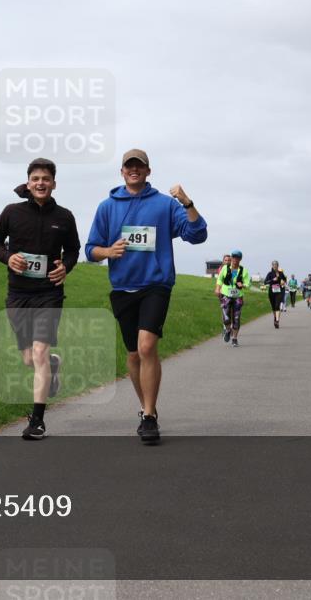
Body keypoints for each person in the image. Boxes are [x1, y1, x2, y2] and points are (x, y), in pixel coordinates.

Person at [85, 148, 207, 443]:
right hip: (122, 287)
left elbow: (197, 234)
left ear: (148, 171)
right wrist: (108, 251)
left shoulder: (165, 204)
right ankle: (145, 407)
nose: (134, 170)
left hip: (156, 285)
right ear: (122, 171)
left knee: (147, 346)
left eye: (139, 166)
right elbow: (90, 250)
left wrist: (187, 202)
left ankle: (150, 416)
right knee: (133, 354)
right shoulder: (107, 207)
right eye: (129, 166)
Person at [0, 158, 80, 440]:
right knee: (30, 358)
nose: (41, 183)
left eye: (46, 179)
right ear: (28, 183)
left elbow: (73, 250)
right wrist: (8, 257)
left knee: (38, 353)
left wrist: (66, 266)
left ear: (54, 184)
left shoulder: (64, 217)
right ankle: (53, 364)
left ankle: (37, 421)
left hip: (49, 293)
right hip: (18, 294)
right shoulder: (12, 212)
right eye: (36, 178)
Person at [217, 251, 249, 346]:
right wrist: (217, 289)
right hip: (226, 295)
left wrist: (243, 285)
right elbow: (220, 279)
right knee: (226, 318)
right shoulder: (225, 268)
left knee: (236, 318)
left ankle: (234, 339)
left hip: (238, 296)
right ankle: (228, 330)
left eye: (237, 258)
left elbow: (248, 283)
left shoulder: (243, 270)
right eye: (234, 257)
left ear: (240, 259)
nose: (235, 259)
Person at [264, 261, 287, 327]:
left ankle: (277, 321)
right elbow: (265, 282)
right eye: (273, 265)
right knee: (274, 307)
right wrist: (272, 280)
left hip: (279, 292)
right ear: (272, 266)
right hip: (271, 292)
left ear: (278, 266)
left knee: (277, 305)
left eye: (276, 265)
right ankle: (275, 318)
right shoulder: (270, 274)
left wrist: (283, 281)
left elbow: (285, 280)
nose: (275, 266)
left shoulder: (281, 273)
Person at [214, 254, 231, 334]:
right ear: (223, 261)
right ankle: (225, 328)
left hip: (232, 292)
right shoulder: (221, 269)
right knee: (224, 310)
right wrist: (218, 290)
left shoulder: (234, 269)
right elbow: (219, 280)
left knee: (231, 310)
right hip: (222, 292)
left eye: (229, 260)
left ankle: (230, 326)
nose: (227, 262)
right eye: (226, 260)